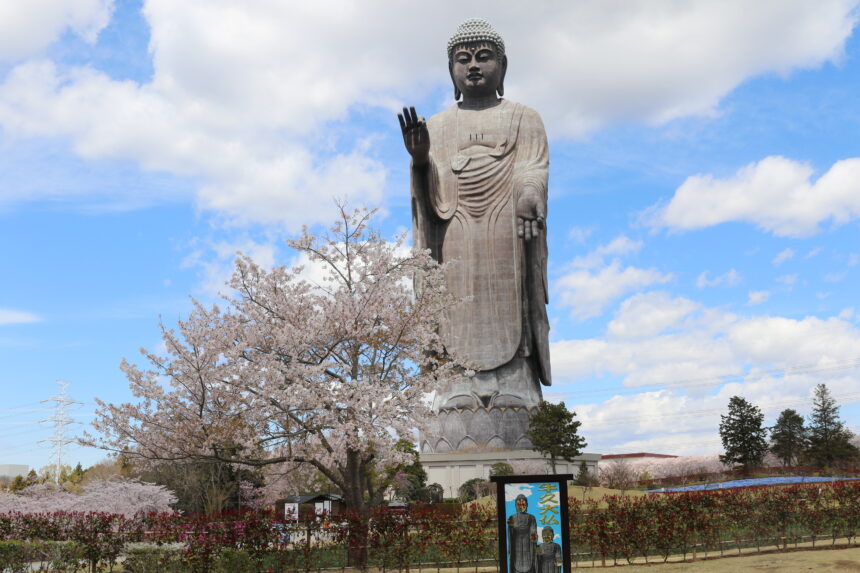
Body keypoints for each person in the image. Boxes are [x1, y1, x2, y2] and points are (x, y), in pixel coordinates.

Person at [398, 19, 551, 450]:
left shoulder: (525, 117)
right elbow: (431, 203)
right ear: (451, 71)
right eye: (462, 60)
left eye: (484, 57)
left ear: (503, 65)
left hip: (506, 227)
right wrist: (421, 160)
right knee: (454, 304)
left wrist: (528, 194)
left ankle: (516, 387)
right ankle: (454, 390)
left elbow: (532, 168)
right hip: (457, 230)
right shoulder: (440, 124)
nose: (474, 67)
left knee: (512, 297)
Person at [507, 493, 538, 573]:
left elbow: (534, 536)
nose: (521, 506)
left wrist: (535, 548)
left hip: (528, 550)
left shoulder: (531, 518)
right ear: (515, 505)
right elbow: (510, 537)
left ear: (527, 505)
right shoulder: (511, 518)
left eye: (523, 504)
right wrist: (510, 550)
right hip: (516, 552)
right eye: (519, 504)